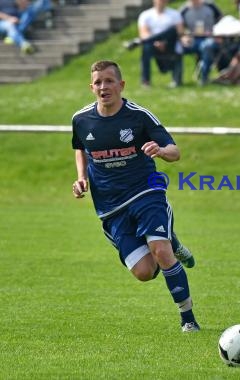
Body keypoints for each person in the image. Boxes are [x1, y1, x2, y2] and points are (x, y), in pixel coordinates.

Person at [71, 60, 200, 333]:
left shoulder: (138, 116)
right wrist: (81, 177)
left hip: (146, 192)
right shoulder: (81, 120)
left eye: (109, 81)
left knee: (161, 251)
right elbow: (79, 147)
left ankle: (188, 318)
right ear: (91, 87)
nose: (103, 87)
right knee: (143, 272)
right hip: (110, 206)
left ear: (121, 85)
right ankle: (170, 239)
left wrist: (161, 151)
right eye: (98, 82)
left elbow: (175, 152)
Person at [125, 0, 185, 88]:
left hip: (170, 44)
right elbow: (144, 33)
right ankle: (145, 81)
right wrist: (155, 42)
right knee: (146, 48)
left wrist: (164, 42)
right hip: (152, 44)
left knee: (172, 30)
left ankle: (138, 42)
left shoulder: (175, 14)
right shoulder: (145, 15)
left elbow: (180, 32)